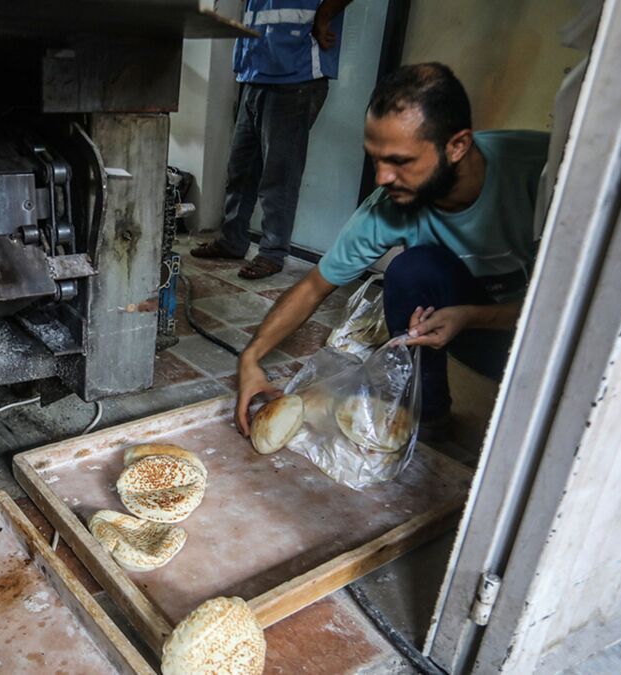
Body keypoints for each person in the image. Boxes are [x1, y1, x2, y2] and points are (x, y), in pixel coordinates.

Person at [233, 62, 550, 439]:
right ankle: (428, 414)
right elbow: (314, 287)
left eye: (401, 161)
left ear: (458, 146)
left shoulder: (546, 169)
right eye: (376, 159)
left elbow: (586, 305)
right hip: (479, 333)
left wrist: (473, 315)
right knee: (411, 270)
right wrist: (250, 359)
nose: (382, 177)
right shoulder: (391, 205)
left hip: (554, 339)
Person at [190, 0, 353, 280]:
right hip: (255, 71)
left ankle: (272, 252)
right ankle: (232, 240)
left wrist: (324, 15)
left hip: (295, 74)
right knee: (241, 169)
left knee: (280, 174)